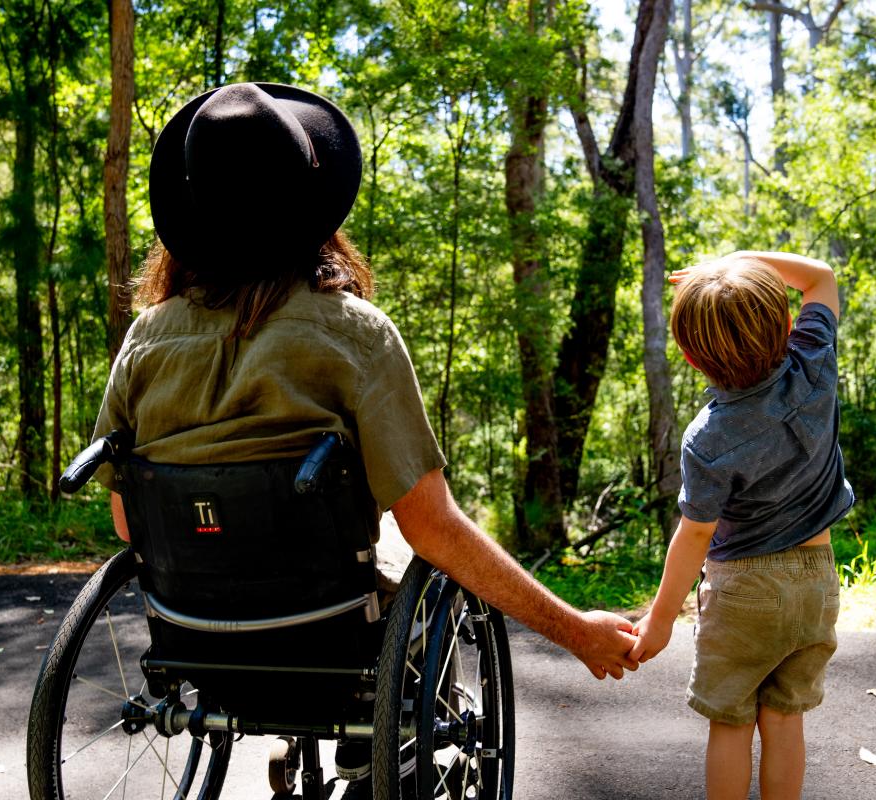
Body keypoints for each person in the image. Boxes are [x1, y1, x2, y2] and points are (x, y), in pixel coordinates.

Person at [90, 82, 638, 793]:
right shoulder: (353, 333)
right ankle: (383, 729)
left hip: (192, 630)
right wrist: (575, 629)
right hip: (330, 624)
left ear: (195, 210)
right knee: (416, 548)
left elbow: (128, 519)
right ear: (310, 209)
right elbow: (432, 526)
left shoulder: (145, 339)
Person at [629, 251, 854, 800]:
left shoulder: (707, 438)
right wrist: (737, 260)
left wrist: (659, 621)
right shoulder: (814, 367)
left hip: (745, 591)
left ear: (688, 356)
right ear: (785, 325)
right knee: (784, 719)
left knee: (731, 721)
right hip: (817, 582)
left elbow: (696, 534)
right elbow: (819, 276)